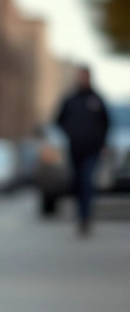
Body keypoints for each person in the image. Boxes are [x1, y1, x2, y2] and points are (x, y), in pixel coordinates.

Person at [56, 66, 110, 237]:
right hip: (75, 149)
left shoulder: (97, 99)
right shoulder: (70, 100)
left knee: (87, 180)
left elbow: (106, 123)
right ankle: (81, 215)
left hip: (92, 149)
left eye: (84, 76)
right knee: (78, 183)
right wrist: (70, 133)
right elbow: (58, 120)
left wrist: (102, 143)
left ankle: (85, 217)